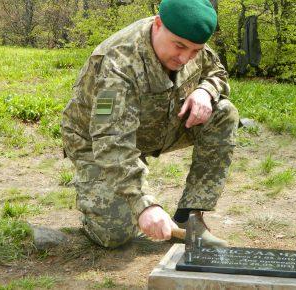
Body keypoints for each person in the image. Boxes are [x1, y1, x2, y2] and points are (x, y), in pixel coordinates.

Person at [61, 0, 238, 249]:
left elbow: (216, 72)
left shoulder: (192, 43)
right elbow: (110, 141)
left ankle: (189, 217)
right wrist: (144, 204)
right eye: (179, 47)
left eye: (195, 51)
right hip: (95, 142)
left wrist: (205, 91)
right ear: (158, 25)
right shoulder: (117, 62)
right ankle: (94, 202)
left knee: (223, 112)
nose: (185, 58)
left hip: (155, 127)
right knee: (115, 234)